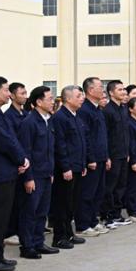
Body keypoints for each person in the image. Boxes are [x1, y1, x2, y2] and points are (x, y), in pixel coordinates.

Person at [0, 76, 29, 271]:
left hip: (3, 171)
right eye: (5, 90)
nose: (8, 94)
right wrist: (21, 159)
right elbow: (5, 141)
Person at [16, 86, 59, 259]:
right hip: (34, 175)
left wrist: (51, 171)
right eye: (49, 98)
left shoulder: (48, 120)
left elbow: (49, 149)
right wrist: (28, 177)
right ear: (38, 102)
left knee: (42, 211)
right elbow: (26, 152)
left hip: (46, 173)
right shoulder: (29, 122)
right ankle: (27, 246)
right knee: (30, 211)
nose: (52, 101)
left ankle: (38, 242)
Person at [50, 85, 87, 250]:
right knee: (62, 203)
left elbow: (80, 143)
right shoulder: (60, 118)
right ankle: (59, 236)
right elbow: (61, 145)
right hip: (66, 168)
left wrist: (83, 163)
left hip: (77, 166)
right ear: (69, 98)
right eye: (79, 96)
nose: (82, 98)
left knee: (71, 203)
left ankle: (69, 233)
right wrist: (65, 167)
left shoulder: (75, 116)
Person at [77, 77, 110, 237]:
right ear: (90, 90)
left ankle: (93, 220)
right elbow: (86, 137)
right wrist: (90, 158)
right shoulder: (84, 110)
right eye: (99, 86)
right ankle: (83, 224)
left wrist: (106, 156)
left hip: (102, 157)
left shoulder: (98, 109)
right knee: (87, 192)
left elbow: (102, 136)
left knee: (98, 191)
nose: (102, 89)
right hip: (92, 160)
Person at [102, 80, 131, 227]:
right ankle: (108, 216)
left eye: (124, 89)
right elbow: (105, 135)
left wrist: (127, 152)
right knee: (110, 187)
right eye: (120, 90)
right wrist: (107, 156)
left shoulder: (123, 108)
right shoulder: (107, 111)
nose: (123, 92)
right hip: (112, 155)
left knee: (121, 185)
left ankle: (117, 215)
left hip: (123, 154)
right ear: (111, 93)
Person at [3, 82, 27, 247]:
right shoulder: (8, 116)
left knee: (24, 199)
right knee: (15, 200)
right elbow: (11, 141)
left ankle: (21, 229)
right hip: (17, 163)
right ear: (12, 95)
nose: (25, 96)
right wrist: (19, 160)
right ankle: (11, 231)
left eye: (26, 93)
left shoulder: (25, 114)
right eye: (22, 93)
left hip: (27, 161)